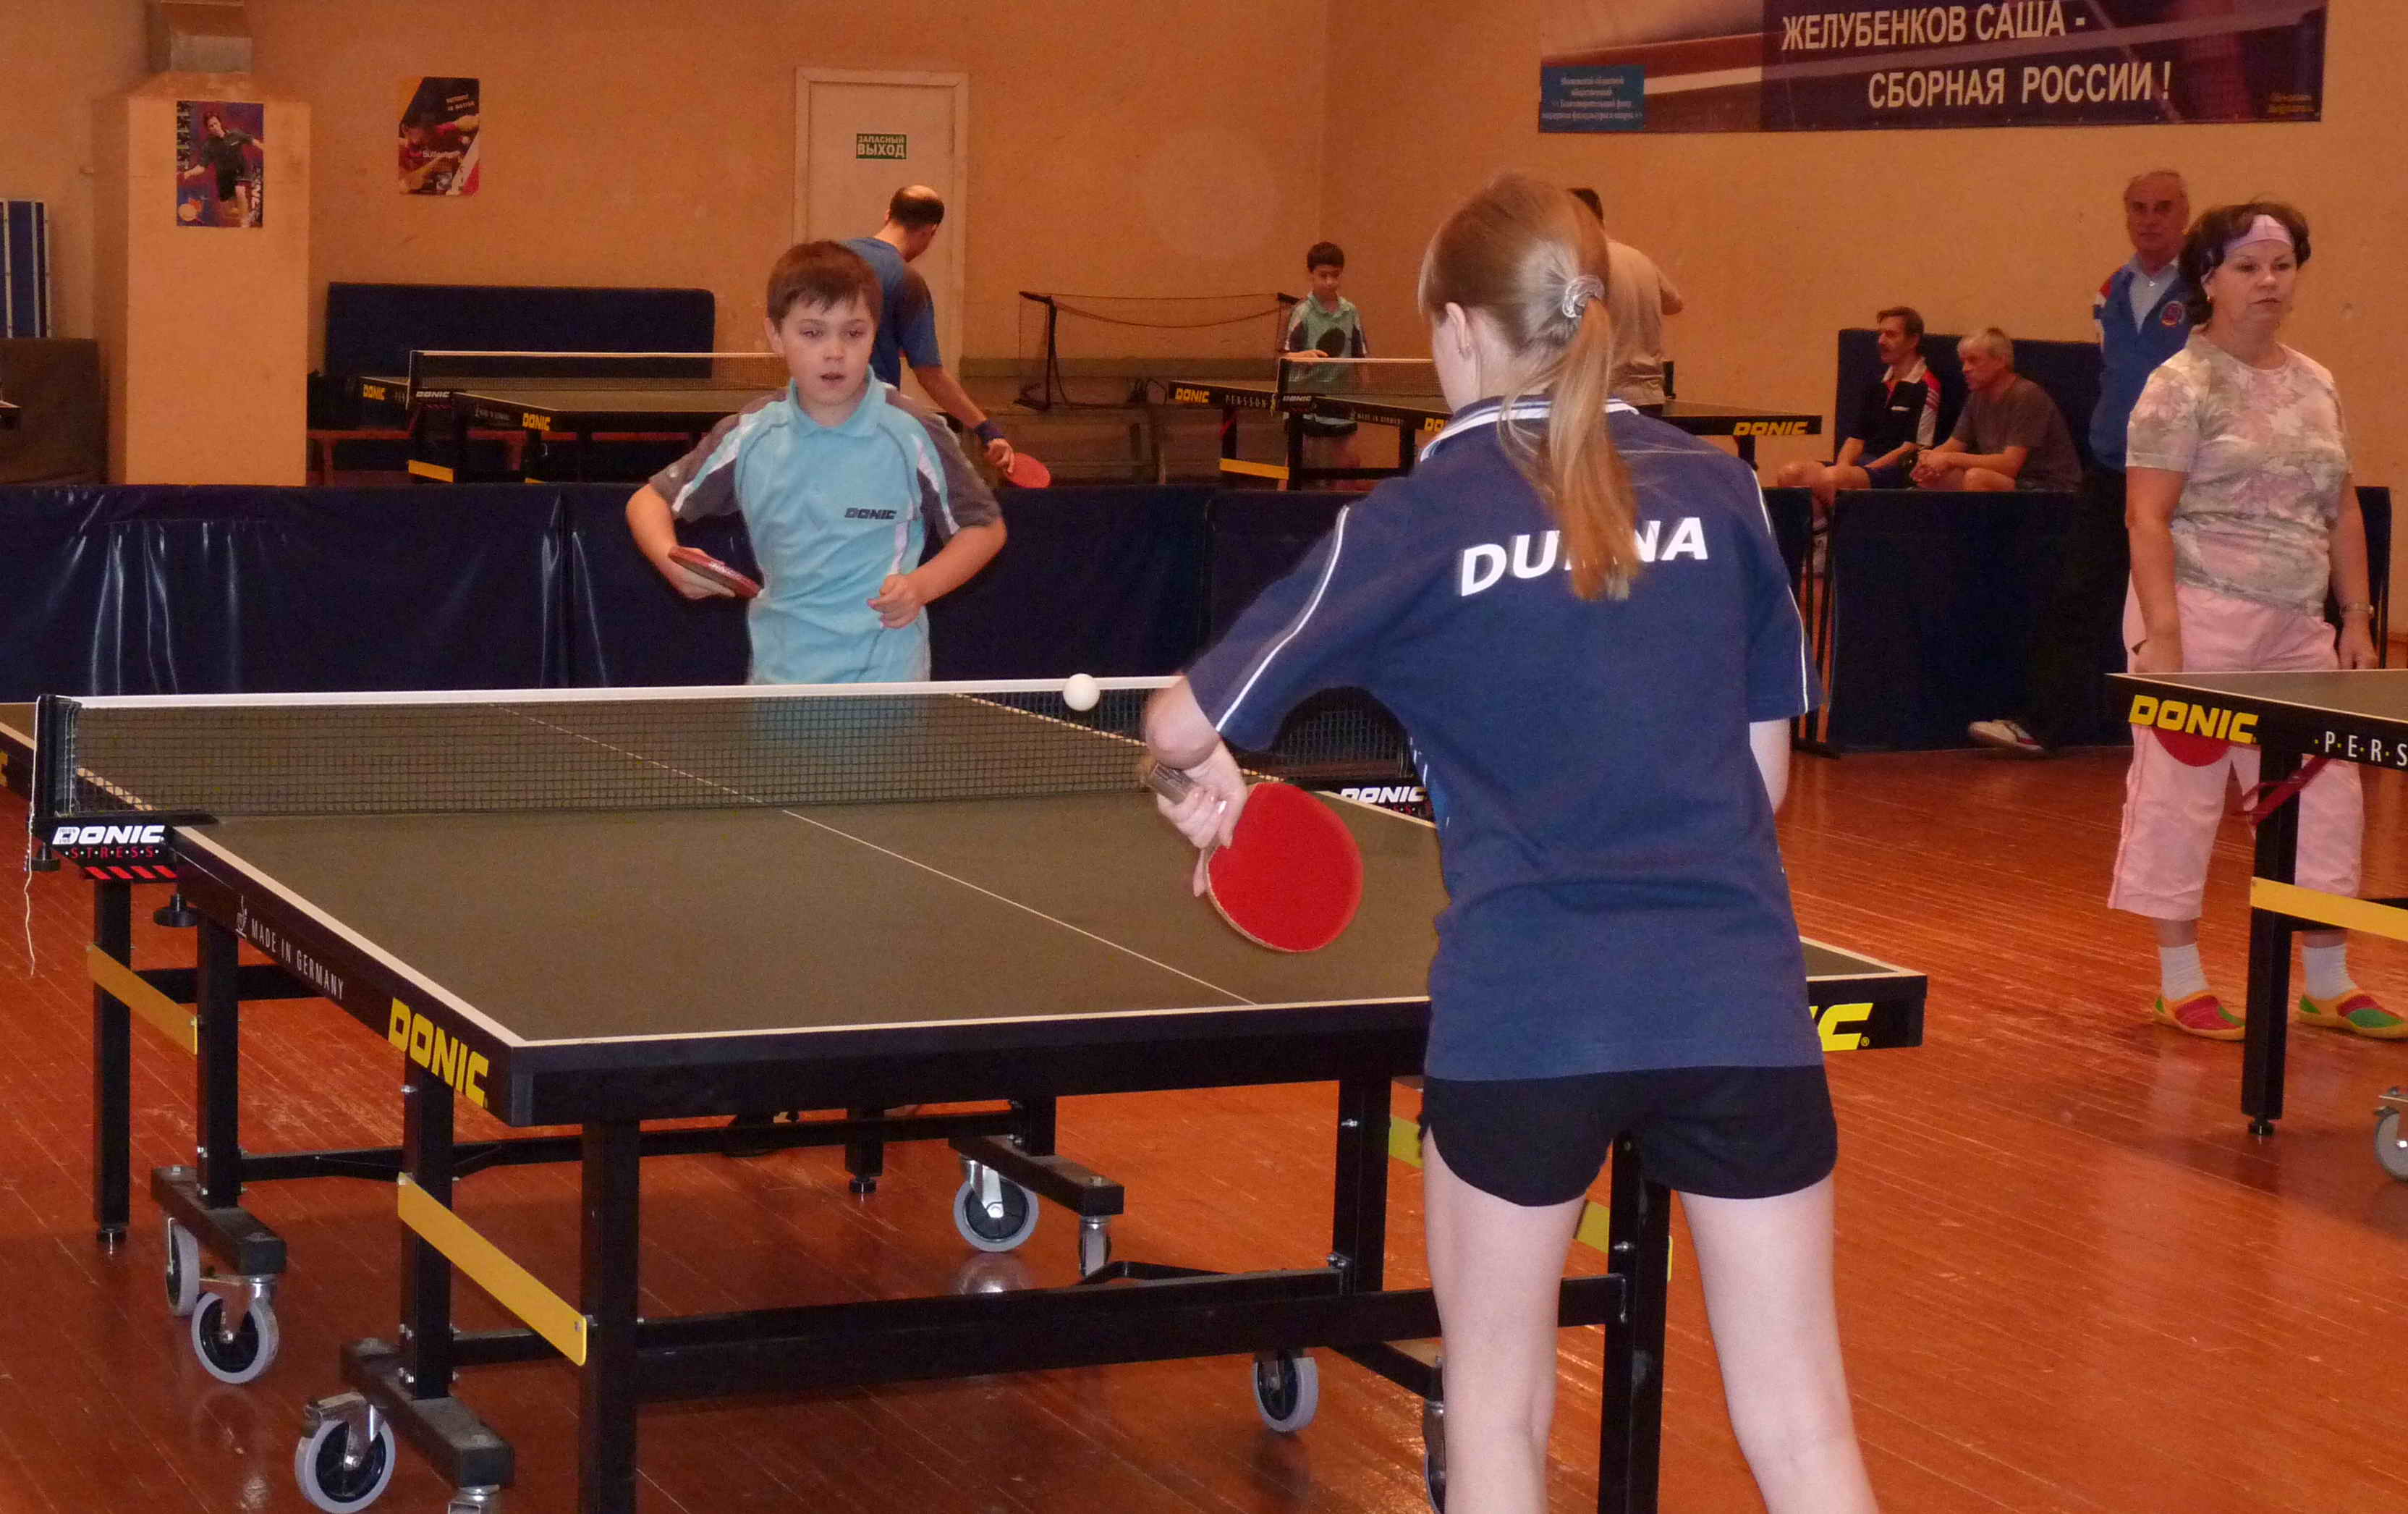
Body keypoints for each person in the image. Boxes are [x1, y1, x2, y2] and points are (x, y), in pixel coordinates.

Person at [1142, 174, 1878, 1514]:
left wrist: (1204, 780)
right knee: (1804, 1429)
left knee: (1497, 1410)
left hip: (1527, 1016)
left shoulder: (1414, 520)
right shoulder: (1723, 490)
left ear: (1456, 329)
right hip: (1739, 1006)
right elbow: (1764, 779)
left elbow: (1181, 720)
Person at [2114, 200, 2399, 1041]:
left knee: (2327, 801)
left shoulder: (2315, 381)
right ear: (2208, 280)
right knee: (2180, 800)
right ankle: (2179, 982)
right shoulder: (2177, 387)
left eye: (2281, 265)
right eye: (2246, 267)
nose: (2268, 281)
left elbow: (2340, 506)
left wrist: (2355, 618)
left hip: (2296, 629)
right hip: (2196, 618)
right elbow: (2145, 517)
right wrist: (2165, 638)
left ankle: (2327, 981)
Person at [624, 240, 1006, 683]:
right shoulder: (749, 434)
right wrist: (668, 558)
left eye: (853, 333)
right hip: (779, 683)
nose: (834, 351)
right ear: (775, 336)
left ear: (875, 334)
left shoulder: (914, 432)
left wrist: (921, 587)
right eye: (812, 333)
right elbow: (647, 501)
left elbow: (985, 529)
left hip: (885, 687)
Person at [1971, 169, 2195, 758]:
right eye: (2139, 208)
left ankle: (2200, 734)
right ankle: (2043, 724)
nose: (2150, 219)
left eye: (2163, 208)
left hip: (2185, 479)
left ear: (2184, 215)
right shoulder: (2111, 290)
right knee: (2076, 594)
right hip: (2113, 471)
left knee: (2190, 604)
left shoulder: (2206, 289)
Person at [843, 187, 1014, 471]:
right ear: (930, 231)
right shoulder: (906, 280)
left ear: (888, 215)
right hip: (868, 427)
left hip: (814, 416)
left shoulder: (829, 259)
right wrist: (987, 430)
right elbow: (930, 375)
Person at [1773, 306, 1943, 512]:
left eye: (1890, 335)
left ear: (1913, 340)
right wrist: (1844, 467)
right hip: (1863, 467)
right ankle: (1819, 530)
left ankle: (1838, 527)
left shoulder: (1926, 386)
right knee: (1791, 474)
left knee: (1831, 478)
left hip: (1896, 471)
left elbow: (1912, 448)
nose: (1881, 341)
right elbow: (1856, 439)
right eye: (1880, 334)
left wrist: (1861, 471)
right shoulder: (1878, 385)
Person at [1910, 329, 2082, 493]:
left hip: (2050, 485)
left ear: (2001, 361)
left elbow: (2010, 465)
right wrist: (1929, 460)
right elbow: (1953, 445)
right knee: (1934, 477)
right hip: (2013, 481)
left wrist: (1949, 458)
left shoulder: (2027, 395)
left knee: (1978, 478)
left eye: (1973, 360)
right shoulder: (1976, 397)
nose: (1965, 369)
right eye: (1963, 362)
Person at [1568, 186, 1684, 413]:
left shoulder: (1584, 263)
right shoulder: (1639, 258)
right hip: (1650, 396)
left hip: (1605, 398)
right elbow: (1675, 304)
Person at [1282, 241, 1372, 481]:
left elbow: (1360, 355)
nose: (1330, 282)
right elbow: (1284, 356)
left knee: (1349, 463)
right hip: (1304, 400)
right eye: (1323, 276)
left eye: (1335, 275)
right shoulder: (1302, 312)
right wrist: (1300, 356)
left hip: (1340, 398)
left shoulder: (1350, 311)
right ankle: (1281, 502)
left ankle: (1342, 504)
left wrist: (1368, 393)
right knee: (1295, 463)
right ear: (1310, 274)